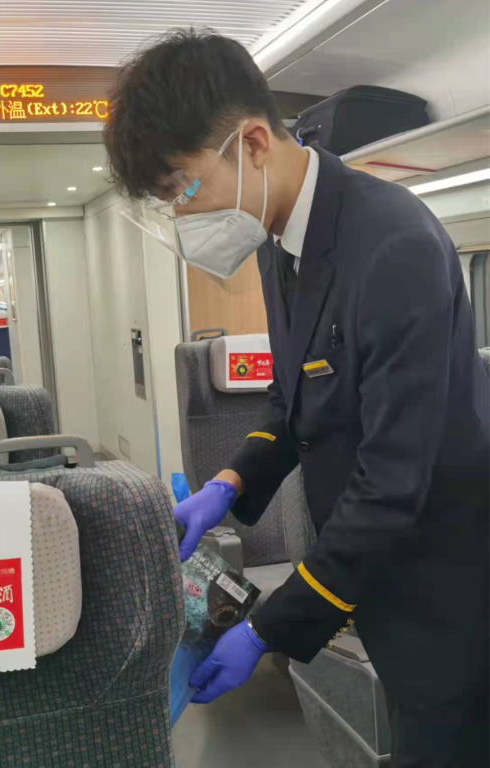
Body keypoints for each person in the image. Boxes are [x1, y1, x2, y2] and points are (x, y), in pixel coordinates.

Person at [104, 29, 489, 768]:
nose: (183, 217)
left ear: (252, 143)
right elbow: (294, 403)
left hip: (449, 590)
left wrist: (266, 629)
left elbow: (390, 486)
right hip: (380, 579)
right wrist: (228, 484)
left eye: (184, 188)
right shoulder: (281, 243)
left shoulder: (393, 243)